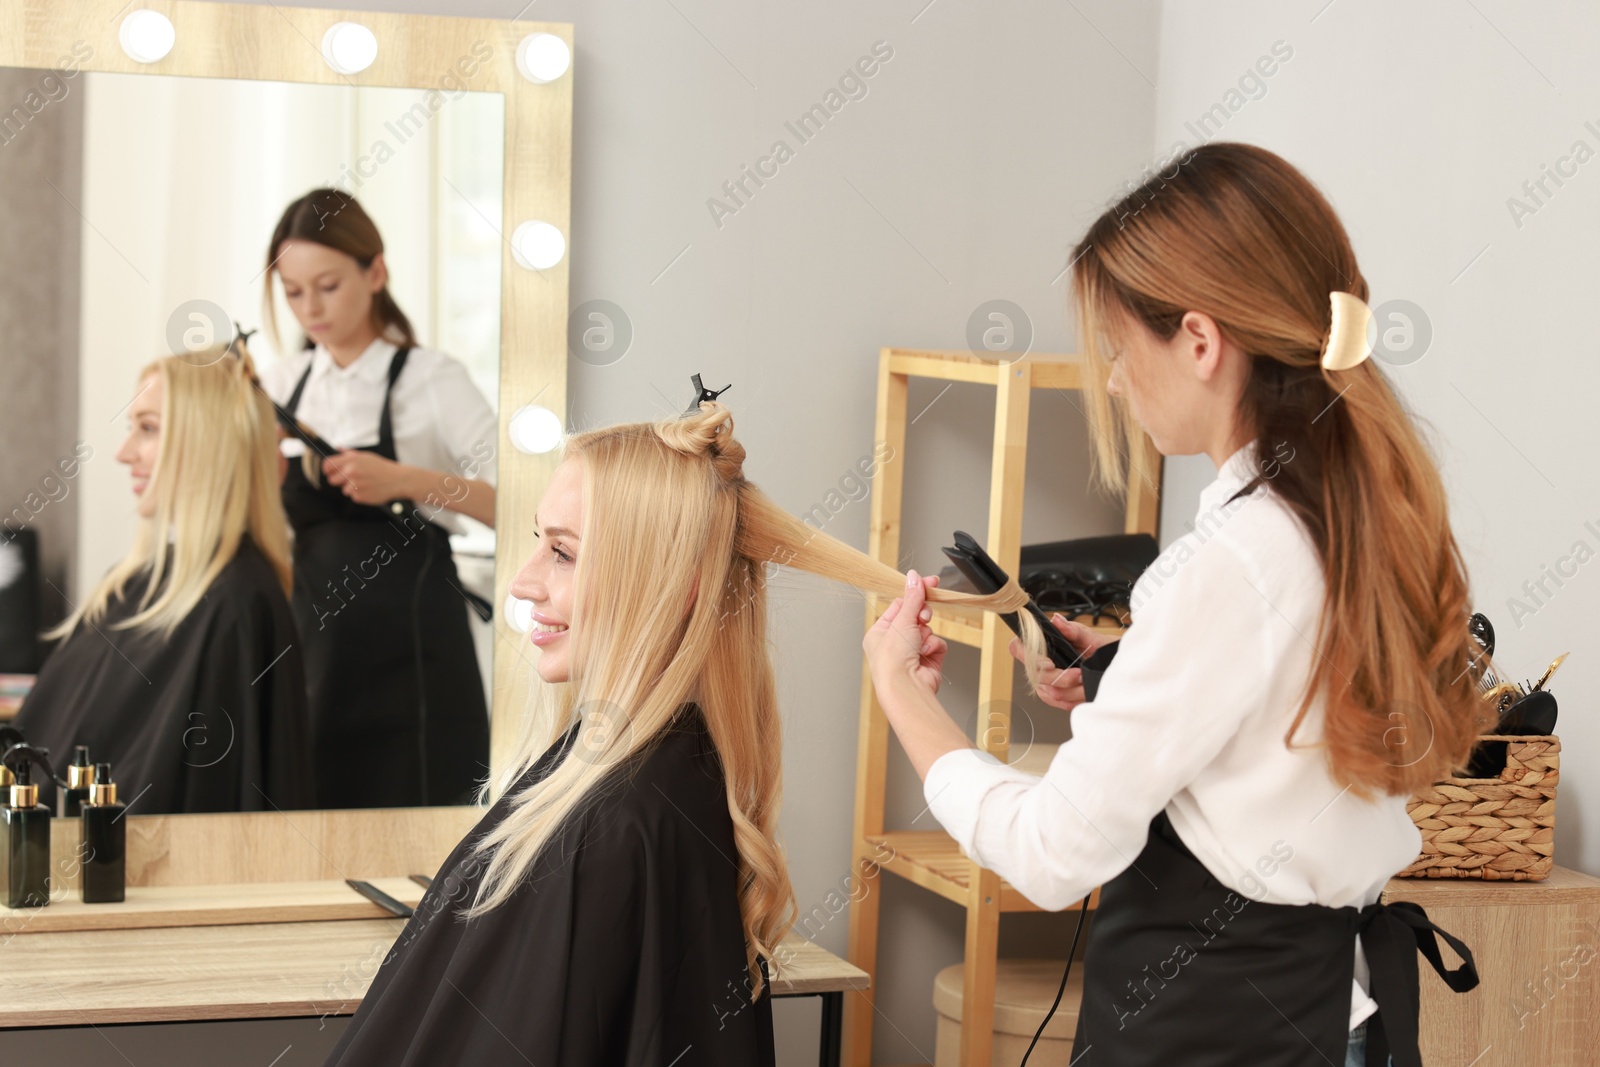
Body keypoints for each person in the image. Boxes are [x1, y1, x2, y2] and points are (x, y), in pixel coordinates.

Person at [862, 142, 1481, 1067]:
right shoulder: (1364, 526)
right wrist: (1125, 670)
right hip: (1318, 1023)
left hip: (1201, 1036)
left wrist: (906, 700)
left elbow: (1051, 849)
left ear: (1198, 341)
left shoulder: (1229, 561)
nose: (1113, 378)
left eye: (1119, 348)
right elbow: (1272, 732)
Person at [323, 396, 1034, 1066]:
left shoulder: (621, 820)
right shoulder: (625, 775)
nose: (523, 581)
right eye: (540, 541)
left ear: (681, 580)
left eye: (563, 553)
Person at [260, 188, 495, 808]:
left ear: (376, 272)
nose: (310, 307)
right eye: (293, 292)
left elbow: (525, 504)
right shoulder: (279, 386)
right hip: (311, 652)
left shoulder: (433, 379)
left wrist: (407, 481)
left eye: (328, 285)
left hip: (417, 656)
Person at [15, 343, 313, 814]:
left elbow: (199, 799)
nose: (123, 452)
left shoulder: (235, 603)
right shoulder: (133, 582)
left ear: (206, 443)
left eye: (148, 429)